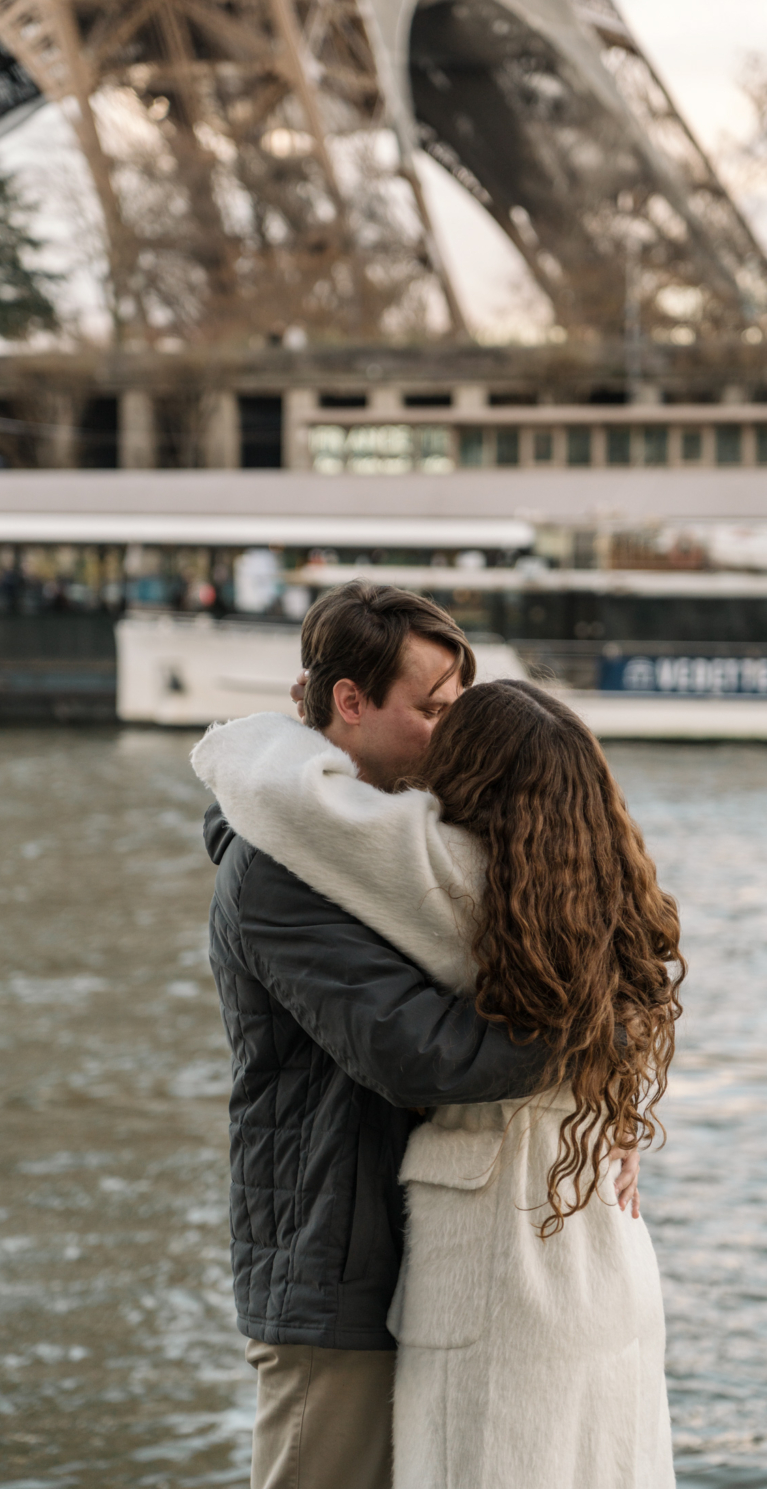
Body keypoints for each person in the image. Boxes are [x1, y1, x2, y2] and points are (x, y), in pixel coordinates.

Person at [194, 627, 682, 1487]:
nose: (446, 730)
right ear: (350, 703)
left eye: (457, 708)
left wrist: (609, 1060)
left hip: (447, 1255)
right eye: (431, 708)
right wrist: (600, 1047)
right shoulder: (286, 869)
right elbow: (426, 1056)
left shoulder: (448, 873)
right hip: (335, 1259)